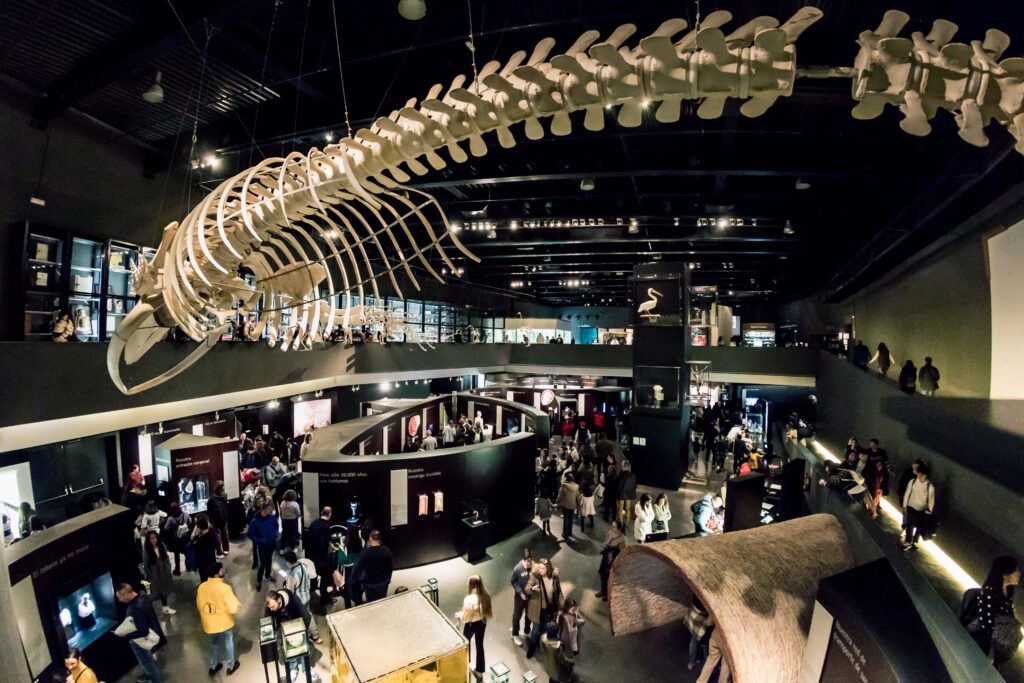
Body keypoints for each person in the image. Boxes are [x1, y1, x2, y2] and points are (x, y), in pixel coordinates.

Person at [965, 556, 1020, 668]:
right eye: (1015, 571)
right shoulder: (989, 593)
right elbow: (986, 624)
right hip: (985, 639)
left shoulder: (1009, 591)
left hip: (999, 638)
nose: (1019, 573)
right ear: (1005, 574)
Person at [196, 562, 241, 676]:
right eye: (221, 570)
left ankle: (213, 666)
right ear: (216, 575)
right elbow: (233, 607)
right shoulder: (225, 588)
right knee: (228, 642)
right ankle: (230, 666)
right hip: (224, 622)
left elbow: (199, 605)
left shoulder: (202, 587)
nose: (224, 571)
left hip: (210, 623)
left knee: (213, 643)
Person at [115, 583, 165, 683]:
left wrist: (126, 635)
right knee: (148, 661)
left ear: (125, 594)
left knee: (148, 663)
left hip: (141, 640)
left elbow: (143, 631)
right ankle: (147, 676)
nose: (119, 600)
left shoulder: (135, 608)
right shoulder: (143, 595)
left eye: (120, 597)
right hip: (153, 633)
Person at [456, 575, 492, 678]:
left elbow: (465, 619)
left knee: (466, 643)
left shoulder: (469, 599)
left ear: (473, 585)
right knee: (479, 645)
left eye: (468, 582)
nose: (467, 584)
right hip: (482, 622)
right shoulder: (486, 594)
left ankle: (466, 663)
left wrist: (461, 615)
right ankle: (480, 671)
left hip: (471, 625)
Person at [305, 507, 336, 606]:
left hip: (311, 556)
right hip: (321, 559)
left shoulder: (314, 523)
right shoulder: (326, 527)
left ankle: (312, 593)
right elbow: (323, 545)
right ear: (329, 514)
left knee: (313, 576)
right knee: (325, 578)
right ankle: (324, 599)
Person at [247, 502, 280, 591]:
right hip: (261, 546)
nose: (270, 511)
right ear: (263, 509)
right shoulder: (255, 521)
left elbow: (276, 526)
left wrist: (276, 535)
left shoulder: (272, 518)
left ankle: (267, 575)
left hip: (271, 544)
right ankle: (259, 580)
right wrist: (259, 541)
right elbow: (250, 534)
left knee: (269, 560)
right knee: (262, 564)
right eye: (268, 509)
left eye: (270, 510)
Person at [901, 464, 935, 551]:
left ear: (925, 475)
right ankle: (909, 541)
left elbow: (931, 500)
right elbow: (907, 493)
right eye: (918, 474)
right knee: (910, 524)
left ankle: (914, 541)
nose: (918, 476)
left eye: (920, 474)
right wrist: (904, 505)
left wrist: (929, 512)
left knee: (919, 526)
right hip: (911, 506)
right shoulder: (913, 481)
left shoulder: (930, 487)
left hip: (922, 509)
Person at [142, 530, 176, 614]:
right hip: (155, 574)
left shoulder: (161, 546)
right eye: (151, 538)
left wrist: (168, 568)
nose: (153, 540)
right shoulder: (146, 550)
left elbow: (166, 558)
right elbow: (146, 565)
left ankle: (165, 607)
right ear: (148, 540)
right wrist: (150, 576)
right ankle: (165, 607)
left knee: (165, 589)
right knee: (158, 591)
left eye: (154, 537)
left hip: (164, 571)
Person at [353, 530, 393, 601]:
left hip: (369, 584)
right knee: (383, 601)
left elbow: (359, 568)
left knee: (371, 603)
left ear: (370, 538)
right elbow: (390, 567)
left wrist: (358, 580)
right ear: (379, 538)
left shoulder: (365, 553)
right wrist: (388, 578)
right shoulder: (386, 550)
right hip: (383, 582)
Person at [596, 520, 627, 600]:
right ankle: (603, 591)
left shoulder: (622, 538)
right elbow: (605, 541)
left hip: (613, 559)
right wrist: (605, 544)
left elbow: (623, 552)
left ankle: (608, 595)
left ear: (619, 528)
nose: (612, 527)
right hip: (606, 557)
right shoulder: (610, 533)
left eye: (614, 526)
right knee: (603, 575)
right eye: (612, 525)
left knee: (609, 578)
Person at [510, 550, 533, 646]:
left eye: (530, 561)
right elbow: (513, 581)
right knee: (516, 616)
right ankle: (515, 634)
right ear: (523, 560)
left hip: (530, 597)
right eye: (527, 562)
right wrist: (520, 592)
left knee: (529, 615)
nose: (529, 564)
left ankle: (527, 632)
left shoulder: (532, 567)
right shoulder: (517, 569)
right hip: (520, 598)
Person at [683, 596, 711, 671]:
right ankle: (705, 661)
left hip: (694, 611)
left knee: (694, 639)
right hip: (702, 617)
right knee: (701, 641)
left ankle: (691, 663)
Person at [555, 473, 581, 542]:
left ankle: (565, 534)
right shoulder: (576, 486)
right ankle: (569, 532)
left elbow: (560, 495)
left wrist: (557, 500)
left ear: (567, 479)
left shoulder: (564, 486)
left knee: (566, 519)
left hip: (566, 505)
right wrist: (579, 505)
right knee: (571, 519)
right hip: (573, 505)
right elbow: (578, 497)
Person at [208, 482, 231, 558]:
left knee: (217, 535)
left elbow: (209, 509)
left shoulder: (212, 499)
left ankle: (219, 553)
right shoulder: (225, 495)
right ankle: (226, 549)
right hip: (224, 517)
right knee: (224, 532)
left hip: (215, 519)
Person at [192, 516, 217, 582]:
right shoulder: (212, 533)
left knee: (205, 581)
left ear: (200, 528)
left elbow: (190, 546)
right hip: (212, 560)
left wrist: (196, 536)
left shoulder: (200, 542)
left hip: (203, 566)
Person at [616, 460, 637, 527]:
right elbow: (634, 485)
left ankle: (620, 523)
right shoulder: (633, 475)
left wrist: (617, 493)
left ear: (624, 467)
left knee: (620, 509)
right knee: (628, 509)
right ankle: (627, 523)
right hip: (629, 495)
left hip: (622, 494)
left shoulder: (622, 475)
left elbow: (619, 485)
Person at [578, 463, 597, 532]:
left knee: (583, 516)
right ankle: (592, 524)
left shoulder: (584, 482)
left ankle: (582, 529)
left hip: (585, 498)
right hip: (591, 497)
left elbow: (581, 490)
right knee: (590, 513)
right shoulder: (592, 481)